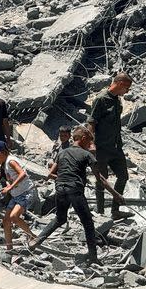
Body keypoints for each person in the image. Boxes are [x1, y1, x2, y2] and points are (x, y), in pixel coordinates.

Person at [29, 126, 125, 264]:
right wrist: (117, 195)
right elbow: (101, 179)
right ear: (83, 138)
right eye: (89, 142)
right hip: (75, 190)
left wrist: (65, 179)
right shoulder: (87, 155)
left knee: (60, 218)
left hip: (60, 188)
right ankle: (93, 257)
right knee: (88, 224)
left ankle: (38, 239)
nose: (90, 146)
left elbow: (50, 173)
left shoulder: (62, 153)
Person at [87, 72, 133, 219]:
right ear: (120, 84)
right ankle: (100, 211)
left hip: (115, 146)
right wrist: (92, 144)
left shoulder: (117, 101)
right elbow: (91, 122)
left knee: (123, 176)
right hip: (101, 147)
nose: (127, 92)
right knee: (102, 179)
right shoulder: (101, 99)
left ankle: (115, 210)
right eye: (127, 88)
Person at [0, 140, 37, 251]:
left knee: (14, 217)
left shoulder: (11, 161)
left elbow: (23, 174)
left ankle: (32, 236)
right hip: (17, 195)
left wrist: (10, 187)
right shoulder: (5, 164)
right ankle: (9, 248)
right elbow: (13, 178)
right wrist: (9, 186)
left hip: (26, 192)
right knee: (6, 221)